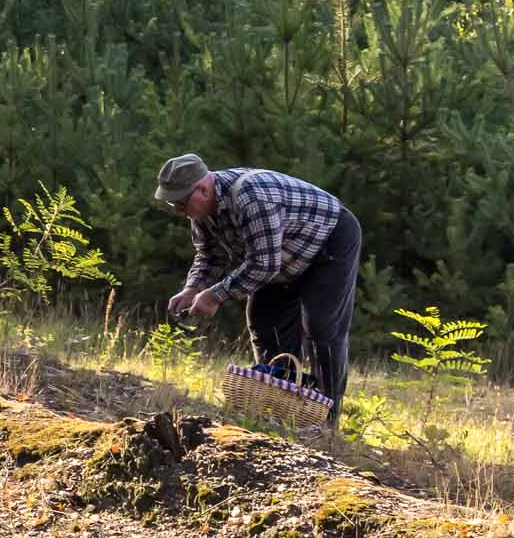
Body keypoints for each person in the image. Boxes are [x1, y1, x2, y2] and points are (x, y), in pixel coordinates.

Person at [154, 153, 365, 419]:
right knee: (264, 320)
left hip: (329, 241)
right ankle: (280, 407)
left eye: (180, 203)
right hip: (281, 255)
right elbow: (210, 254)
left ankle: (326, 417)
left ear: (203, 189)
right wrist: (192, 288)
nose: (178, 210)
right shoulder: (200, 211)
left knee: (322, 327)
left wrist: (216, 295)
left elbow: (264, 265)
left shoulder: (251, 197)